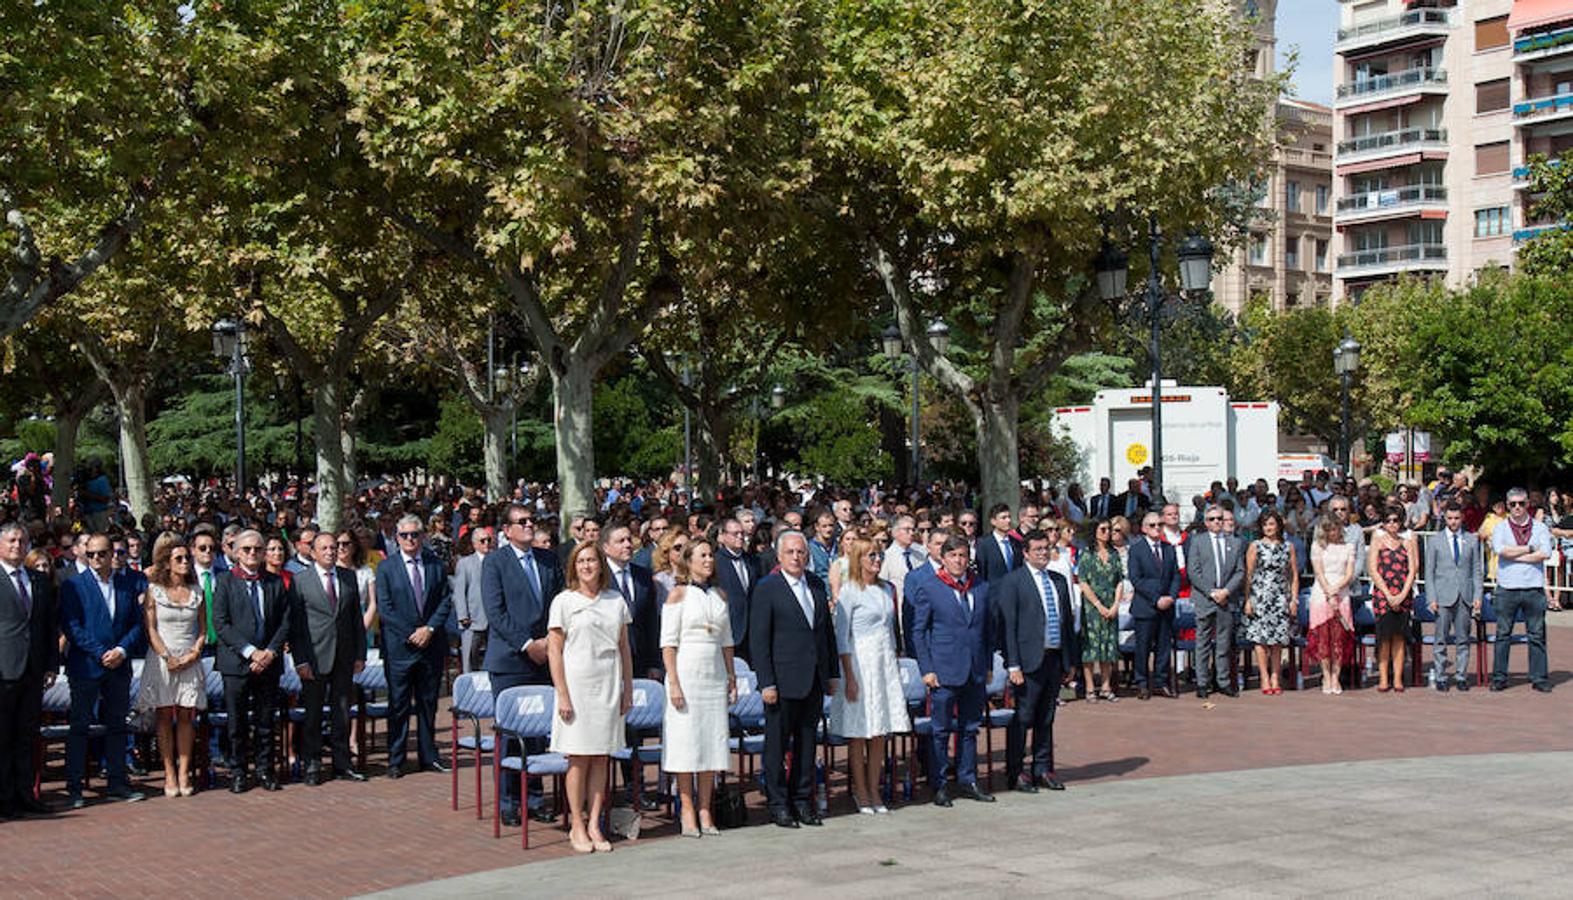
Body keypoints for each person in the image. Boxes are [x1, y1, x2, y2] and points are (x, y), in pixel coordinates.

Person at [547, 540, 633, 854]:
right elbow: (555, 650)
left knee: (601, 756)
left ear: (601, 565)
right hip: (577, 686)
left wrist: (628, 689)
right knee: (578, 757)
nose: (587, 566)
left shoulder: (615, 600)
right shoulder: (563, 602)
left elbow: (624, 648)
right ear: (574, 566)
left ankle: (596, 822)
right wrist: (563, 694)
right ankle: (577, 825)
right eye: (581, 561)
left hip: (608, 685)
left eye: (592, 561)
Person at [750, 530, 839, 828]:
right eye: (790, 552)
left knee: (806, 743)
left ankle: (802, 800)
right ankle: (778, 804)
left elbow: (826, 632)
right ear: (779, 555)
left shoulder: (814, 584)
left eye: (801, 552)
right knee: (776, 746)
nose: (796, 557)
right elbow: (759, 640)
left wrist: (832, 673)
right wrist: (766, 682)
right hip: (781, 680)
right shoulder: (767, 588)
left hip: (812, 678)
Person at [482, 505, 564, 826]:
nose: (530, 526)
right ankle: (508, 800)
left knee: (537, 734)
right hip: (510, 659)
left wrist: (547, 643)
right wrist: (527, 644)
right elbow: (496, 611)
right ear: (507, 530)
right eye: (522, 522)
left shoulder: (547, 559)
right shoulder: (495, 563)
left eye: (532, 521)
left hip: (544, 657)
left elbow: (559, 603)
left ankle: (533, 796)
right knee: (511, 732)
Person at [60, 533, 147, 807]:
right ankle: (74, 788)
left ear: (112, 555)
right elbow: (72, 626)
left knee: (117, 726)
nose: (96, 559)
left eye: (102, 553)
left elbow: (136, 623)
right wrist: (100, 653)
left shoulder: (126, 585)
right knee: (79, 726)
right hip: (86, 666)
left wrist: (121, 650)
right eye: (91, 553)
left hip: (119, 667)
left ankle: (117, 783)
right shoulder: (74, 585)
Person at [660, 538, 736, 835]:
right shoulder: (677, 595)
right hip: (686, 673)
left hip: (713, 675)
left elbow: (727, 641)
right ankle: (687, 809)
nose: (708, 560)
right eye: (702, 555)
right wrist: (674, 683)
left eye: (710, 555)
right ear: (688, 560)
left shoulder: (720, 595)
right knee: (686, 742)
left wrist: (731, 677)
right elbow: (668, 643)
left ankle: (707, 809)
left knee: (711, 742)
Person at [911, 535, 993, 806]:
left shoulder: (979, 587)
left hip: (974, 668)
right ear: (943, 559)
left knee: (970, 727)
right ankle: (939, 783)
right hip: (944, 669)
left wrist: (989, 664)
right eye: (953, 556)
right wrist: (927, 668)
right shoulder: (930, 587)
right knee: (941, 729)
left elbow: (987, 629)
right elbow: (919, 631)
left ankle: (967, 778)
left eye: (962, 555)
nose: (959, 561)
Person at [829, 537, 908, 814]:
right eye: (872, 556)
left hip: (883, 660)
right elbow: (842, 637)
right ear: (859, 559)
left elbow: (891, 630)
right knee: (859, 732)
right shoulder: (850, 591)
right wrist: (849, 676)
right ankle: (860, 791)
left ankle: (875, 788)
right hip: (859, 662)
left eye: (880, 556)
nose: (877, 561)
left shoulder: (887, 589)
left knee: (879, 732)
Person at [212, 529, 291, 792]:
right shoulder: (224, 581)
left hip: (268, 662)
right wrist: (250, 652)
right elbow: (221, 624)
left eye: (258, 549)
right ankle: (238, 772)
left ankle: (265, 770)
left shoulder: (274, 582)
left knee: (265, 721)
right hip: (236, 664)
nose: (252, 554)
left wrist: (269, 652)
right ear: (235, 553)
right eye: (246, 549)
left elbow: (285, 621)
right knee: (237, 722)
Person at [376, 513, 454, 776]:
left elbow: (445, 600)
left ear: (423, 536)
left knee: (428, 703)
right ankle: (396, 759)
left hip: (430, 646)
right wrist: (412, 633)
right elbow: (385, 609)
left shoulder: (434, 564)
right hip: (400, 648)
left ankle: (428, 756)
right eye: (404, 535)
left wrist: (429, 629)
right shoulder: (387, 568)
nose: (410, 539)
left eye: (415, 534)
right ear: (397, 538)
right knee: (398, 705)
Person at [997, 530, 1074, 794]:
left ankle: (1043, 769)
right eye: (1037, 549)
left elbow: (1066, 622)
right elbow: (1009, 626)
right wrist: (1013, 664)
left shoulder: (1059, 580)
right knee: (1023, 717)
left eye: (1046, 548)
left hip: (1053, 657)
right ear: (1026, 553)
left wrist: (1068, 660)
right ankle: (1016, 771)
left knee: (1046, 717)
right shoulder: (1014, 582)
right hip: (1027, 661)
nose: (1043, 553)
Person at [289, 531, 368, 785]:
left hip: (344, 656)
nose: (330, 552)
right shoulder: (301, 581)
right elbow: (296, 626)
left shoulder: (348, 577)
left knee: (342, 712)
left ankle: (342, 764)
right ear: (312, 552)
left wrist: (360, 654)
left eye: (334, 548)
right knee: (313, 713)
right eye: (324, 548)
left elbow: (356, 619)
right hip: (314, 656)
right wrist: (300, 661)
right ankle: (312, 764)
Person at [133, 534, 206, 797]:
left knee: (187, 715)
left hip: (189, 658)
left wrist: (193, 653)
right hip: (162, 658)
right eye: (180, 558)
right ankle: (169, 773)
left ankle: (185, 771)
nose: (185, 561)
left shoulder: (197, 591)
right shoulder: (154, 591)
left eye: (187, 557)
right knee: (164, 716)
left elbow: (203, 629)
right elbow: (150, 628)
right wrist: (167, 656)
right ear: (167, 563)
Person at [0, 522, 57, 818]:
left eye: (22, 541)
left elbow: (48, 625)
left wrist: (51, 665)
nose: (17, 546)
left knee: (26, 736)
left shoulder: (37, 579)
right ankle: (4, 798)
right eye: (11, 540)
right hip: (3, 669)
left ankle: (26, 795)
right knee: (2, 736)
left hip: (33, 671)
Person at [1490, 488, 1553, 693]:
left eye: (1521, 503)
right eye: (1513, 504)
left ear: (1528, 504)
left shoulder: (1540, 527)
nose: (1517, 507)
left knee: (1536, 635)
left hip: (1533, 588)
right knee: (1503, 634)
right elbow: (1501, 550)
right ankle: (1499, 677)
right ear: (1507, 505)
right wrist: (1529, 549)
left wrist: (1515, 555)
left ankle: (1539, 677)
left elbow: (1545, 553)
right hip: (1507, 588)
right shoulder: (1500, 528)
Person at [1424, 503, 1483, 692]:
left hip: (1464, 596)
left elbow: (1476, 570)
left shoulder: (1471, 540)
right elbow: (1429, 572)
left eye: (1457, 518)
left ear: (1462, 518)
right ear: (1445, 518)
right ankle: (1441, 676)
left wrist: (1477, 595)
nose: (1453, 522)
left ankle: (1461, 675)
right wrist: (1431, 597)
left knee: (1463, 639)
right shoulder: (1435, 541)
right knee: (1440, 638)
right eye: (1450, 518)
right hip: (1442, 596)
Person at [1186, 505, 1243, 699]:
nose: (1217, 522)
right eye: (1212, 519)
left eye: (1220, 518)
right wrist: (1211, 592)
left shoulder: (1234, 542)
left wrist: (1226, 591)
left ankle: (1223, 681)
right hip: (1205, 599)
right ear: (1205, 522)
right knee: (1202, 642)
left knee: (1223, 643)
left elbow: (1240, 571)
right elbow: (1193, 571)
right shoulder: (1197, 541)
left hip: (1226, 599)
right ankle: (1202, 682)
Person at [1243, 510, 1298, 695]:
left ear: (1278, 526)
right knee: (1260, 639)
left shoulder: (1287, 546)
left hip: (1280, 596)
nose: (1269, 528)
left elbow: (1294, 575)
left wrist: (1294, 599)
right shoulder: (1255, 546)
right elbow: (1249, 575)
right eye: (1265, 524)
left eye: (1272, 524)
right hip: (1260, 596)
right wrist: (1248, 600)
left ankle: (1275, 676)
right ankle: (1264, 677)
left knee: (1277, 640)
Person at [1127, 513, 1180, 700]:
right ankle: (1141, 683)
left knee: (1164, 647)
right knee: (1142, 648)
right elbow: (1136, 579)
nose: (1157, 528)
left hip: (1166, 607)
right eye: (1152, 525)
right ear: (1144, 528)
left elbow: (1175, 576)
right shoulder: (1136, 550)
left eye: (1159, 524)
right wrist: (1156, 598)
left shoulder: (1169, 549)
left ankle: (1161, 682)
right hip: (1146, 606)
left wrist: (1171, 597)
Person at [1367, 505, 1418, 693]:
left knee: (1399, 638)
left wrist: (1403, 594)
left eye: (1395, 520)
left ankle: (1397, 678)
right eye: (1388, 520)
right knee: (1384, 638)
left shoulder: (1407, 543)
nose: (1392, 524)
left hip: (1403, 594)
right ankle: (1383, 678)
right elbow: (1373, 569)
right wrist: (1388, 595)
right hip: (1383, 595)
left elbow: (1413, 569)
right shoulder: (1378, 541)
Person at [1307, 516, 1355, 695]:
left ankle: (1336, 676)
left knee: (1338, 639)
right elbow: (1318, 572)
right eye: (1328, 529)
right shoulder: (1317, 546)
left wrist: (1337, 589)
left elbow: (1349, 573)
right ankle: (1326, 675)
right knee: (1323, 638)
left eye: (1334, 529)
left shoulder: (1348, 547)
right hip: (1321, 593)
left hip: (1342, 592)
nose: (1331, 533)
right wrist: (1328, 592)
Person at [1077, 520, 1123, 701]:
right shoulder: (1087, 554)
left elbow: (1119, 580)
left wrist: (1115, 605)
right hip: (1092, 608)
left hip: (1111, 604)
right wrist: (1098, 605)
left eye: (1109, 529)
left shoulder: (1114, 554)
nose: (1107, 532)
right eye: (1103, 529)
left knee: (1108, 647)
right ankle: (1090, 688)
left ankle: (1105, 686)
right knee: (1090, 648)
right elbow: (1083, 582)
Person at [712, 517, 756, 662]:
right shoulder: (715, 562)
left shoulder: (751, 561)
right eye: (735, 534)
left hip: (751, 631)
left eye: (742, 533)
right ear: (723, 536)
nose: (740, 537)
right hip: (729, 630)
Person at [452, 526, 493, 673]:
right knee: (469, 657)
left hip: (494, 618)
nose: (486, 543)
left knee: (493, 657)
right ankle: (469, 689)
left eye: (489, 540)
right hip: (473, 618)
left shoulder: (497, 561)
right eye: (483, 541)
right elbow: (459, 591)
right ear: (475, 544)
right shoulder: (465, 563)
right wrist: (463, 616)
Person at [973, 503, 1020, 583]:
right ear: (993, 521)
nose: (1008, 520)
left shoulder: (1016, 543)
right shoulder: (984, 544)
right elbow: (982, 572)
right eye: (1003, 518)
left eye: (1009, 517)